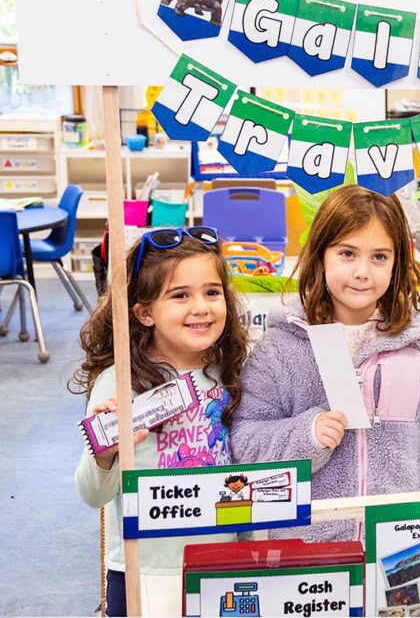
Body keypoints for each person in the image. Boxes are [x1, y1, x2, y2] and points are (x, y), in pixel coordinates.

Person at [230, 185, 420, 541]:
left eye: (379, 257)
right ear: (320, 256)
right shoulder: (282, 347)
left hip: (399, 552)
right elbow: (246, 443)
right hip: (308, 559)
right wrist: (307, 435)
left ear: (398, 262)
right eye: (347, 253)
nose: (363, 271)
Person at [72, 228, 249, 616]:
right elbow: (91, 494)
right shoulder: (119, 384)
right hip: (143, 570)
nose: (201, 307)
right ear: (145, 312)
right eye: (180, 295)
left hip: (222, 564)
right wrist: (106, 452)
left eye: (212, 292)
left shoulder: (234, 373)